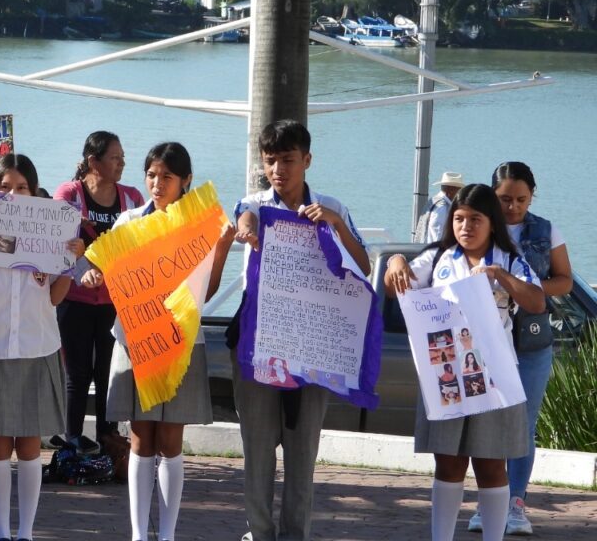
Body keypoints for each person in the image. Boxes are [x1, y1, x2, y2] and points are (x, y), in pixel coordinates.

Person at [76, 142, 232, 541]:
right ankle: (138, 534)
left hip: (180, 342)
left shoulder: (197, 225)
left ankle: (167, 534)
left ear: (186, 181)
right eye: (151, 175)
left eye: (167, 176)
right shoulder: (129, 221)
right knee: (141, 438)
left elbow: (205, 292)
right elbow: (106, 266)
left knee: (171, 440)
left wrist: (223, 248)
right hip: (136, 339)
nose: (157, 184)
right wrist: (94, 272)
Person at [225, 120, 370, 541]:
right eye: (270, 161)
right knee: (257, 446)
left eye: (287, 160)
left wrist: (334, 223)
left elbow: (364, 265)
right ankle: (259, 533)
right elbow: (246, 216)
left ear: (307, 159)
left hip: (313, 344)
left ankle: (295, 535)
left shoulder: (332, 206)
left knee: (303, 449)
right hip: (259, 341)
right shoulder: (255, 203)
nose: (278, 170)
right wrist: (246, 230)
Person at [385, 183, 543, 541]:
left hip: (495, 376)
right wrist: (395, 262)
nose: (466, 226)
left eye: (475, 219)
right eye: (459, 218)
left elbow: (536, 302)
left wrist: (499, 277)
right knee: (448, 461)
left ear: (492, 223)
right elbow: (396, 286)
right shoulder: (438, 258)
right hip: (446, 374)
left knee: (491, 464)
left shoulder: (510, 259)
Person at [0, 153, 81, 541]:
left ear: (34, 191)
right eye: (5, 187)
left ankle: (25, 532)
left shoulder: (52, 235)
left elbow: (55, 297)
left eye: (21, 187)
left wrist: (70, 260)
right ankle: (1, 531)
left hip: (36, 347)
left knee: (28, 447)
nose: (13, 194)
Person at [486, 161, 572, 536]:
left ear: (532, 196)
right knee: (487, 422)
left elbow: (565, 281)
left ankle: (516, 503)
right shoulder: (479, 225)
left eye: (521, 199)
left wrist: (525, 287)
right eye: (505, 199)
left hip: (532, 340)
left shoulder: (546, 230)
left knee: (524, 424)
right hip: (488, 339)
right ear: (493, 195)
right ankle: (489, 502)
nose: (513, 207)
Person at [52, 131, 143, 453]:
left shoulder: (131, 197)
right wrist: (83, 272)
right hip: (74, 299)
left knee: (109, 372)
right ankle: (72, 441)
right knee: (77, 374)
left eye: (122, 157)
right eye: (115, 158)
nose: (122, 163)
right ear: (93, 162)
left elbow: (141, 244)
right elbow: (60, 243)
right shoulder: (69, 194)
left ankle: (109, 439)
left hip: (114, 302)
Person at [413, 172, 464, 243]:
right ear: (451, 190)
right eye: (458, 190)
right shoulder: (442, 207)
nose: (459, 194)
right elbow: (437, 233)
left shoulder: (433, 200)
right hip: (433, 248)